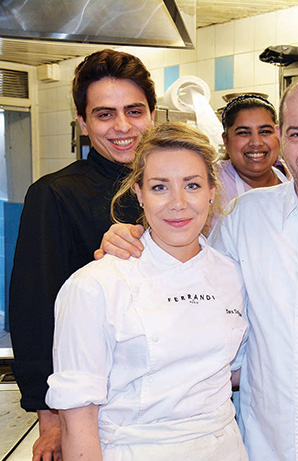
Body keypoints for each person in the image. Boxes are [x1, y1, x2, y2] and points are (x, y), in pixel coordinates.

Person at [98, 75, 298, 460]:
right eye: (297, 134)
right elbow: (191, 288)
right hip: (260, 446)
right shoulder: (245, 217)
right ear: (280, 139)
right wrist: (132, 242)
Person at [46, 122, 249, 460]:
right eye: (159, 187)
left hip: (224, 447)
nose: (178, 203)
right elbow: (77, 418)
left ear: (212, 190)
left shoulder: (232, 274)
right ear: (138, 193)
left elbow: (234, 369)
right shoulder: (94, 286)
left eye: (193, 185)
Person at [9, 49, 155, 461]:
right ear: (83, 123)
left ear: (152, 113)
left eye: (134, 110)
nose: (123, 127)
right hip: (92, 407)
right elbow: (35, 310)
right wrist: (50, 418)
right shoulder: (54, 193)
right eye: (105, 114)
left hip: (162, 401)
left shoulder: (173, 188)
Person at [218, 94, 288, 209]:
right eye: (243, 133)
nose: (256, 142)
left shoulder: (295, 177)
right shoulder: (211, 184)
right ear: (226, 140)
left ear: (278, 135)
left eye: (265, 131)